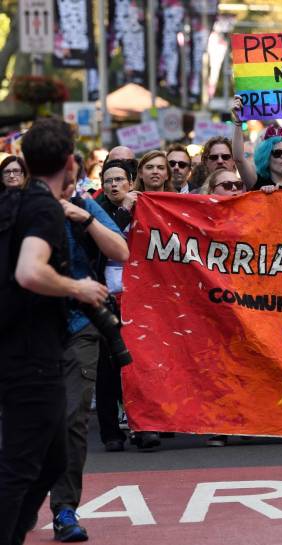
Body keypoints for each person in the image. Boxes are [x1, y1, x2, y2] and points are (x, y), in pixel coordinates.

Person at [0, 117, 108, 545]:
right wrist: (76, 287)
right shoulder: (42, 206)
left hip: (20, 347)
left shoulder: (13, 202)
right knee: (25, 463)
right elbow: (29, 271)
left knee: (53, 455)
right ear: (69, 163)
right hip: (31, 355)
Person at [48, 169, 129, 542]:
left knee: (72, 418)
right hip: (28, 330)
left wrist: (88, 218)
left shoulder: (86, 204)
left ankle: (65, 509)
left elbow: (121, 251)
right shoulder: (18, 207)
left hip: (80, 326)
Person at [93, 160, 138, 453]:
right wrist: (123, 212)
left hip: (141, 296)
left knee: (139, 364)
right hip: (106, 297)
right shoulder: (94, 211)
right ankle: (110, 432)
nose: (113, 185)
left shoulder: (146, 206)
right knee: (107, 366)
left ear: (130, 183)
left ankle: (142, 426)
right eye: (108, 180)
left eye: (119, 179)